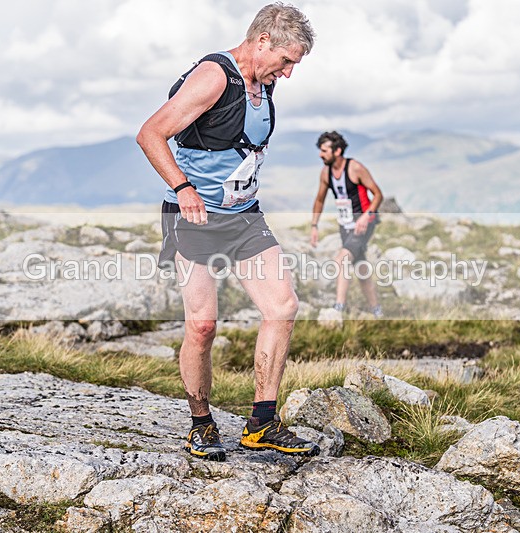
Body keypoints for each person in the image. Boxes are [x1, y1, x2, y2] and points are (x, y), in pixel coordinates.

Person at [136, 3, 319, 462]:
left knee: (282, 307)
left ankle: (261, 423)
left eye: (295, 64)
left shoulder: (262, 82)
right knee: (202, 325)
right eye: (286, 61)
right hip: (195, 218)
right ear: (262, 42)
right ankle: (201, 424)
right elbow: (150, 133)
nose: (289, 73)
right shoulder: (215, 76)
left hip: (244, 218)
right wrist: (182, 188)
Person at [310, 131, 384, 316]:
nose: (320, 154)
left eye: (324, 150)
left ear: (337, 151)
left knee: (341, 259)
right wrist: (314, 226)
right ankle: (376, 310)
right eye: (320, 150)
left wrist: (366, 216)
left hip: (363, 224)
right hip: (345, 225)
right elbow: (319, 200)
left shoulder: (355, 168)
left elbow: (378, 194)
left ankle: (338, 308)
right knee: (360, 267)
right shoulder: (326, 173)